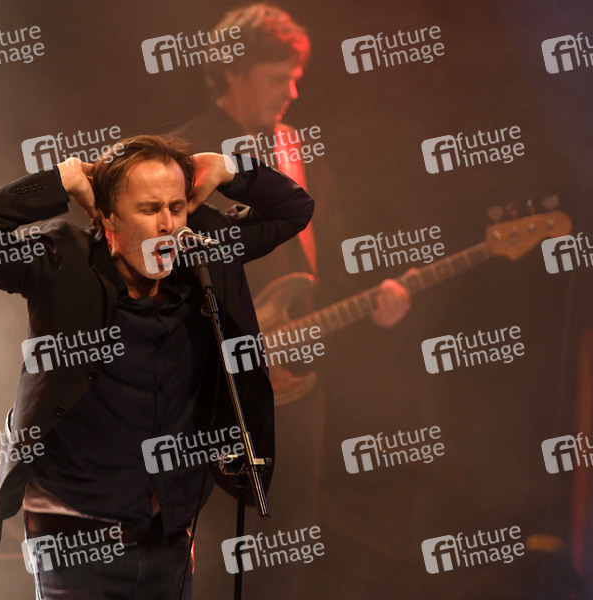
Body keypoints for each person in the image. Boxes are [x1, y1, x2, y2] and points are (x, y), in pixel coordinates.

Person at [0, 135, 313, 599]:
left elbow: (295, 210)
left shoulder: (201, 258)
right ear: (107, 217)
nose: (168, 224)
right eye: (149, 209)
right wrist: (57, 181)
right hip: (75, 543)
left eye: (177, 207)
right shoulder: (62, 260)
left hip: (168, 539)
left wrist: (229, 168)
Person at [171, 5, 411, 598]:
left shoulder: (296, 149)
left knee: (291, 538)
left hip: (298, 383)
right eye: (280, 76)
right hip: (219, 388)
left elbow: (324, 260)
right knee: (218, 547)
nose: (292, 90)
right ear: (235, 71)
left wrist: (378, 296)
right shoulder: (183, 155)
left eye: (295, 77)